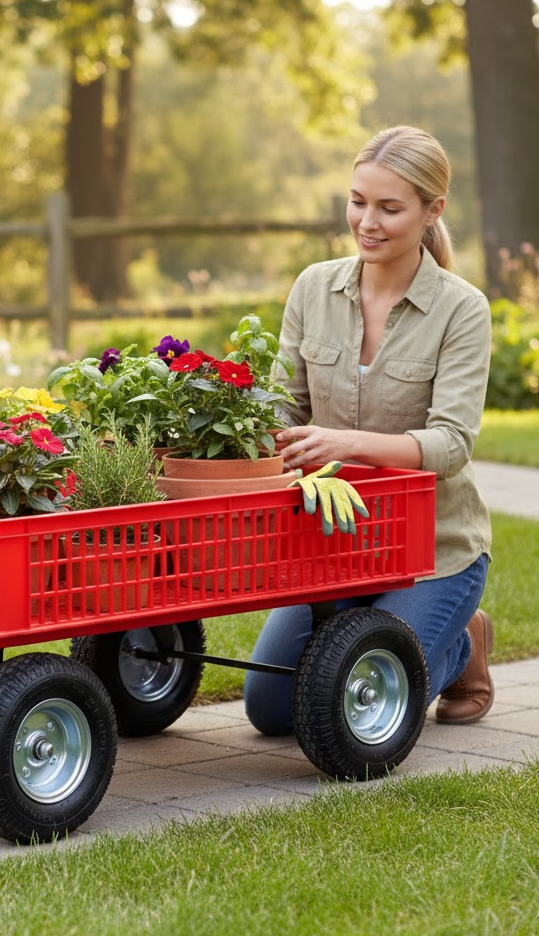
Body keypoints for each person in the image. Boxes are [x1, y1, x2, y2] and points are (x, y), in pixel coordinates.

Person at [244, 125, 493, 735]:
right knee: (272, 711)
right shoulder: (314, 288)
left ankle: (463, 641)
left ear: (433, 210)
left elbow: (452, 444)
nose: (368, 222)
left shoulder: (462, 309)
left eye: (390, 208)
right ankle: (420, 635)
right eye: (358, 201)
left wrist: (345, 442)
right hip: (333, 540)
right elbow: (284, 406)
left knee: (355, 712)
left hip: (432, 552)